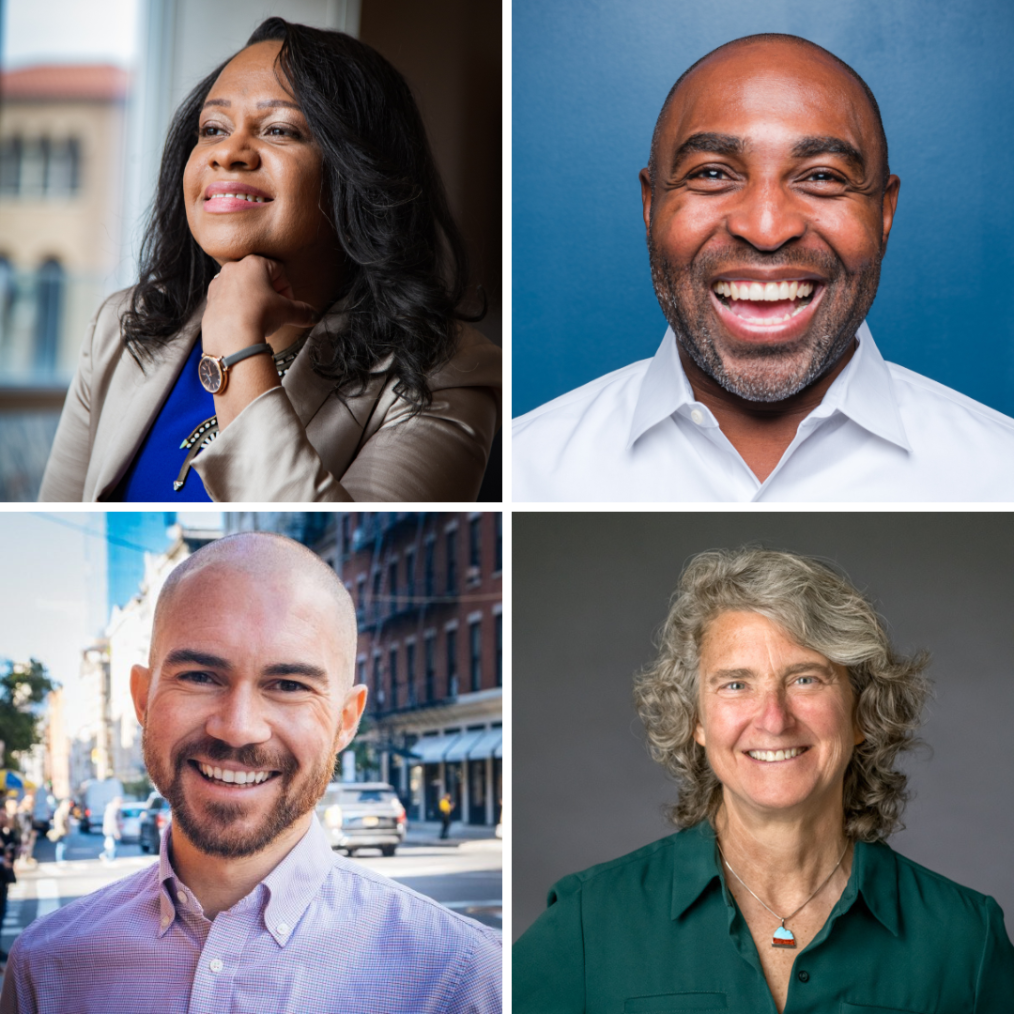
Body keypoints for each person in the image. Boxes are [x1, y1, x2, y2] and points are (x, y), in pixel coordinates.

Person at [1, 532, 501, 1014]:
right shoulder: (44, 969)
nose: (238, 729)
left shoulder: (465, 980)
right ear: (141, 699)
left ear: (346, 721)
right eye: (199, 677)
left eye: (287, 684)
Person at [511, 33, 1014, 503]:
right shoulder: (525, 466)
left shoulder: (997, 470)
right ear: (651, 204)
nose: (767, 228)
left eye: (822, 176)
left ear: (884, 213)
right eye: (711, 174)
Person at [511, 547, 1014, 1012]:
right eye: (736, 684)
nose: (773, 719)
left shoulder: (966, 939)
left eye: (805, 679)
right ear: (697, 721)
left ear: (862, 712)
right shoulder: (589, 919)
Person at [37, 17, 502, 504]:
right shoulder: (118, 327)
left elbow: (314, 564)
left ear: (356, 171)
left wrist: (236, 344)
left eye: (279, 129)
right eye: (212, 128)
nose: (228, 153)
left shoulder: (447, 372)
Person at [46, 798, 72, 864]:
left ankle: (61, 859)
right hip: (61, 832)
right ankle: (60, 859)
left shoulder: (63, 812)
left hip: (64, 831)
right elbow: (58, 823)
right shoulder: (60, 812)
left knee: (62, 845)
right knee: (61, 846)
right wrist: (62, 831)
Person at [100, 797, 121, 862]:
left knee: (109, 845)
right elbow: (113, 823)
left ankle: (105, 855)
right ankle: (110, 858)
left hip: (108, 830)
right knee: (111, 846)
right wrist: (116, 832)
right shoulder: (112, 810)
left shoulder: (110, 809)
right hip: (110, 830)